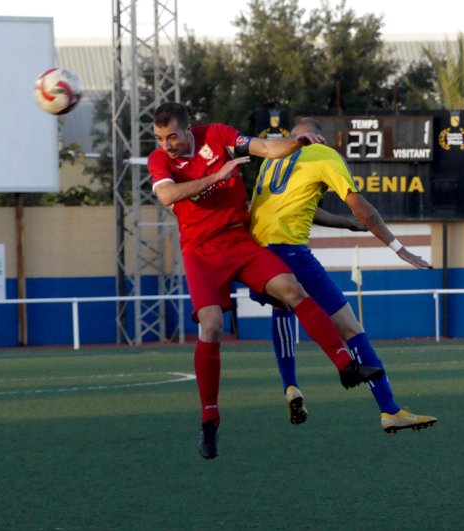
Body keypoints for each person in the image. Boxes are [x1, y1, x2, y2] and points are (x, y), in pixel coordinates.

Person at [148, 102, 369, 459]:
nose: (166, 144)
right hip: (200, 251)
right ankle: (210, 419)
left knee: (292, 290)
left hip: (239, 240)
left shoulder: (217, 135)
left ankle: (345, 365)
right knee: (212, 326)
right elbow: (167, 194)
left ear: (189, 129)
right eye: (160, 138)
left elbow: (267, 148)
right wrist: (216, 177)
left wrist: (299, 143)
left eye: (172, 136)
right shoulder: (159, 161)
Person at [249, 117, 437, 434]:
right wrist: (398, 247)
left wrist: (345, 224)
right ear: (317, 137)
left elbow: (299, 204)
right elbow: (361, 206)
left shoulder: (273, 157)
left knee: (283, 308)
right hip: (291, 252)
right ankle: (390, 410)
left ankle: (291, 386)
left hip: (258, 254)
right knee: (350, 328)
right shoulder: (324, 154)